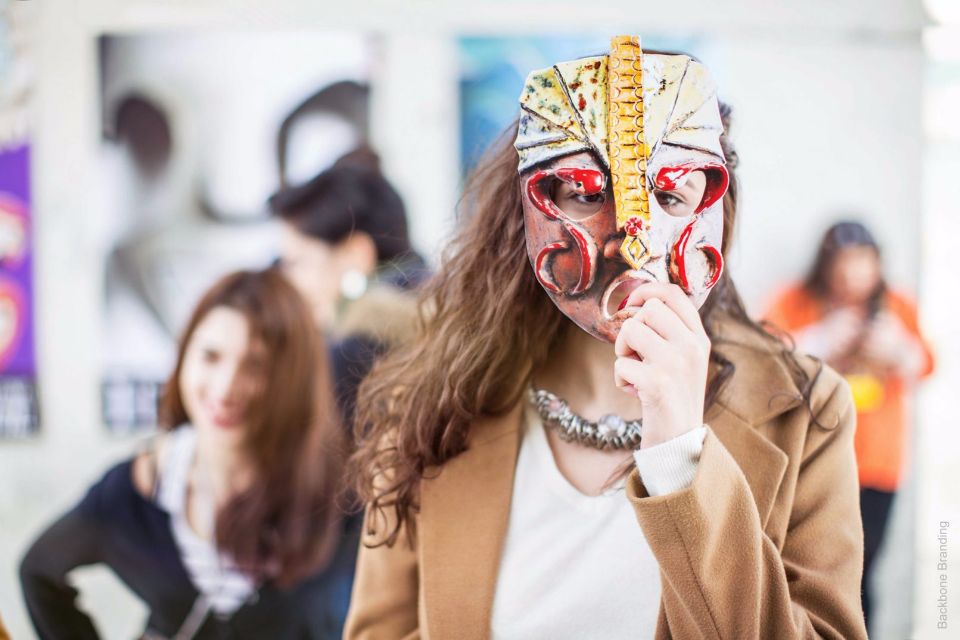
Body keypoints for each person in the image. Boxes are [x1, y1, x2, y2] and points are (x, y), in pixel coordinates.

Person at [345, 36, 868, 639]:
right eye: (587, 195)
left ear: (715, 207)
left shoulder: (807, 412)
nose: (632, 241)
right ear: (528, 207)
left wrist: (682, 457)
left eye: (670, 194)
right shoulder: (429, 405)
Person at [21, 269, 352, 639]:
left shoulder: (341, 494)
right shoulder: (143, 487)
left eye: (255, 365)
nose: (225, 388)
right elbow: (38, 570)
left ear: (294, 378)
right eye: (210, 356)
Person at [765, 220, 934, 632]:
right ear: (825, 266)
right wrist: (817, 340)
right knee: (806, 572)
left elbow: (927, 365)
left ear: (878, 264)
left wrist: (898, 349)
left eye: (862, 263)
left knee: (863, 573)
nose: (853, 276)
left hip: (876, 467)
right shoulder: (796, 300)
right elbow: (763, 359)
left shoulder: (896, 306)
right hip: (810, 463)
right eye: (843, 264)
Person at [269, 148, 428, 427]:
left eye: (297, 263)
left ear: (355, 255)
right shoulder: (452, 321)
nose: (287, 283)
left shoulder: (353, 352)